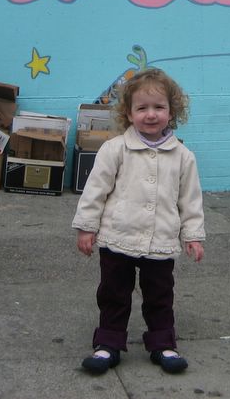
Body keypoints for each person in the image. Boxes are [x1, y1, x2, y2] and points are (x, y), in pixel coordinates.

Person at [72, 68, 205, 375]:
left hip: (160, 241)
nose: (150, 114)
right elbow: (95, 191)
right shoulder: (115, 149)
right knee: (113, 294)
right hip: (117, 238)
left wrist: (193, 235)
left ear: (171, 112)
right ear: (129, 113)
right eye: (142, 108)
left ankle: (163, 344)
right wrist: (86, 228)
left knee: (160, 295)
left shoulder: (183, 156)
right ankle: (107, 344)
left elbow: (190, 200)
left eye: (159, 107)